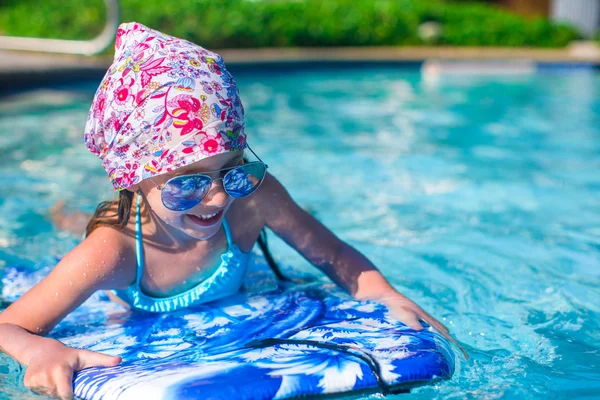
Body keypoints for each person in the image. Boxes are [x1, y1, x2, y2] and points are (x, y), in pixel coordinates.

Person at [0, 22, 457, 399]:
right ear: (133, 179)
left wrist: (386, 295)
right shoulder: (112, 251)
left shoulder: (253, 200)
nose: (219, 198)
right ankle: (60, 212)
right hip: (127, 285)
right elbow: (10, 326)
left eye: (232, 171)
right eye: (189, 183)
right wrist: (41, 353)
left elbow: (332, 254)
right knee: (73, 224)